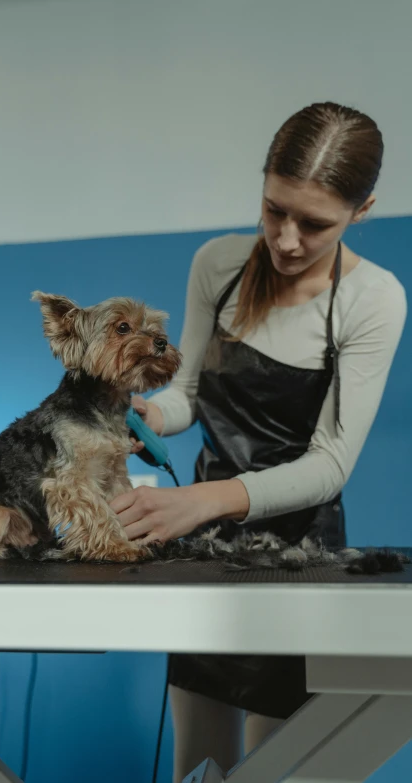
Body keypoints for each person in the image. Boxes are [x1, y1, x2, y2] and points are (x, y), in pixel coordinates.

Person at [109, 101, 407, 781]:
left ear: (362, 211)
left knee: (283, 768)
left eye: (315, 222)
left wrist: (203, 501)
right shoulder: (216, 265)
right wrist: (148, 415)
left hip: (299, 559)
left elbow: (329, 463)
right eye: (275, 209)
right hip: (204, 554)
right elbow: (188, 392)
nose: (288, 238)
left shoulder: (374, 300)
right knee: (199, 766)